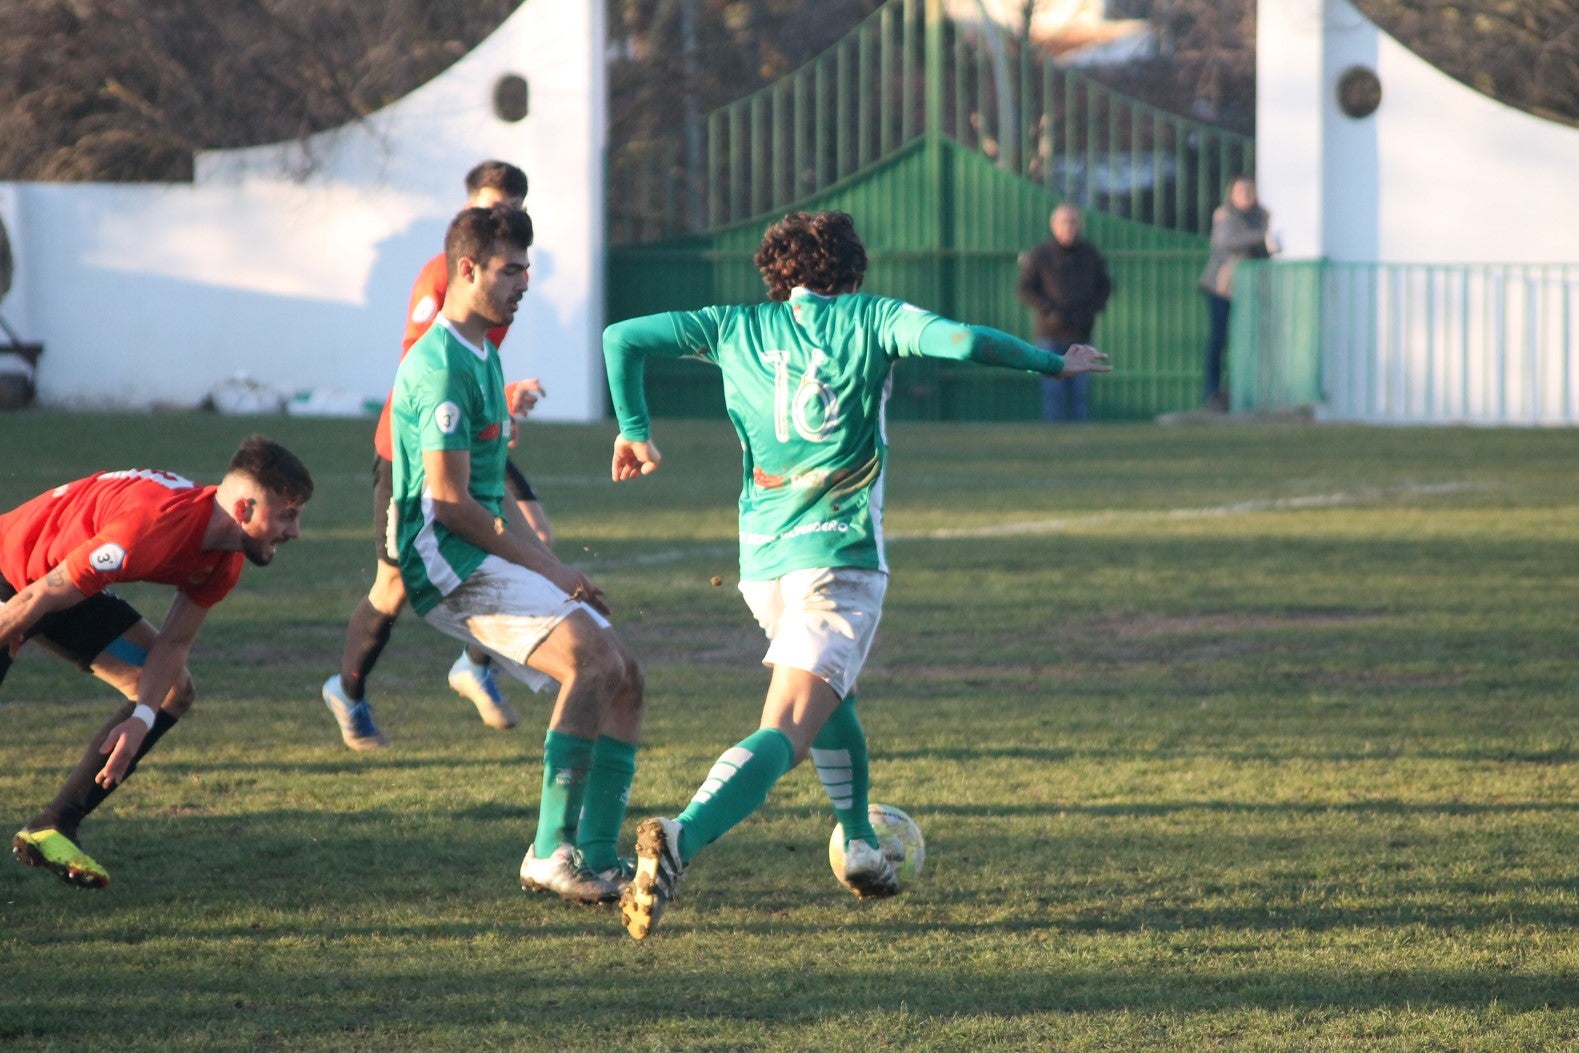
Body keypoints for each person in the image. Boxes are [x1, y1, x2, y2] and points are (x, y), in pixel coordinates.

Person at [602, 210, 1111, 939]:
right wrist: (1050, 361)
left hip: (764, 564)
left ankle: (861, 844)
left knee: (830, 696)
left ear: (776, 273)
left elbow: (621, 337)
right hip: (837, 559)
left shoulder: (732, 325)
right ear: (851, 271)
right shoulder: (871, 317)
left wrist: (635, 428)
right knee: (786, 725)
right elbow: (963, 341)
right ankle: (681, 837)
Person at [390, 204, 644, 904]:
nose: (524, 280)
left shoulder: (482, 350)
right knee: (591, 662)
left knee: (625, 676)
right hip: (446, 561)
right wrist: (551, 568)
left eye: (527, 266)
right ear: (465, 269)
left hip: (478, 552)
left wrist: (553, 566)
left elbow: (486, 496)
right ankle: (546, 851)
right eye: (510, 268)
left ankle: (593, 854)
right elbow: (446, 501)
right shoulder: (440, 365)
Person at [5, 436, 313, 889]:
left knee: (173, 691)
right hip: (12, 574)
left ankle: (55, 826)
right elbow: (39, 595)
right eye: (287, 514)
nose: (295, 531)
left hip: (63, 585)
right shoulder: (153, 526)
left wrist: (143, 717)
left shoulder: (223, 562)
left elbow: (174, 644)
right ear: (244, 510)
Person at [323, 160, 553, 751]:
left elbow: (474, 364)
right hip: (413, 448)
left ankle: (476, 664)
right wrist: (491, 405)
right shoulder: (443, 277)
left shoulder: (507, 278)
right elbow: (423, 369)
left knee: (534, 535)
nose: (506, 217)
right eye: (494, 206)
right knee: (394, 586)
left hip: (473, 432)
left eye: (515, 208)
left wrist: (500, 406)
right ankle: (347, 689)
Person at [1016, 202, 1113, 422]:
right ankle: (1054, 439)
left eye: (1073, 222)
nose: (1069, 227)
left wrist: (1091, 309)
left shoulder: (1090, 253)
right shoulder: (1041, 255)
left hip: (1081, 334)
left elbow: (1104, 286)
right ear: (1054, 226)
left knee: (1080, 393)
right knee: (1054, 393)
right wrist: (1048, 309)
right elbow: (1025, 289)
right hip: (1050, 335)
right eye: (1064, 222)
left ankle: (1080, 440)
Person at [1198, 175, 1274, 413]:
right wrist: (1261, 237)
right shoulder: (1224, 215)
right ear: (1232, 194)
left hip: (1251, 288)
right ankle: (1212, 392)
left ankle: (1243, 390)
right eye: (1241, 191)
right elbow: (1226, 241)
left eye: (1250, 190)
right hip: (1223, 286)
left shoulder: (1262, 215)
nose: (1246, 195)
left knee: (1250, 340)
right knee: (1219, 339)